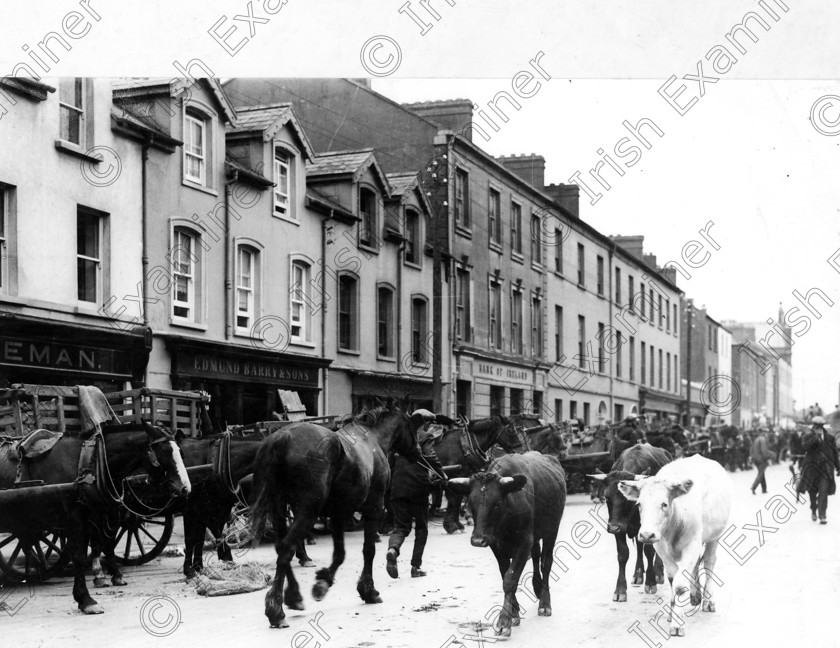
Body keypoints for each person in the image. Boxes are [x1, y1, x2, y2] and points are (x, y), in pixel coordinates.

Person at [386, 423, 445, 578]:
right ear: (425, 443)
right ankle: (415, 567)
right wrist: (441, 478)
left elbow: (390, 466)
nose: (432, 447)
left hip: (397, 491)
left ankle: (392, 550)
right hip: (418, 493)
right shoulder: (427, 454)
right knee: (421, 529)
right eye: (431, 444)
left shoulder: (400, 450)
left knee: (400, 528)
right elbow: (441, 474)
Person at [796, 416, 840, 524]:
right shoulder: (808, 436)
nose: (819, 428)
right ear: (813, 426)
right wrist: (815, 437)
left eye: (820, 426)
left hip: (825, 470)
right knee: (812, 492)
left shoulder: (830, 437)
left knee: (823, 492)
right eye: (816, 426)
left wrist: (838, 467)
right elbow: (805, 447)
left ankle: (822, 515)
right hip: (811, 471)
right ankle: (813, 510)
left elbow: (834, 453)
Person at [750, 428, 775, 494]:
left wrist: (752, 457)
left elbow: (751, 449)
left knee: (762, 473)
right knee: (761, 474)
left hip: (755, 459)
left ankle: (764, 489)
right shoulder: (763, 439)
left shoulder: (756, 439)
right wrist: (768, 457)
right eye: (766, 432)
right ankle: (753, 487)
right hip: (761, 459)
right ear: (763, 432)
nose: (766, 434)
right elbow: (764, 451)